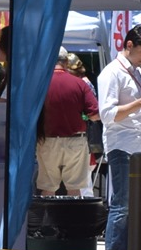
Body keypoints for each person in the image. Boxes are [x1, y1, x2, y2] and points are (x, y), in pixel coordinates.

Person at [99, 24, 141, 250]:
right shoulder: (111, 73)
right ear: (129, 46)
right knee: (121, 206)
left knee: (140, 206)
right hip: (121, 145)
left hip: (138, 144)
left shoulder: (138, 71)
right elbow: (107, 115)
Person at [37, 51, 98, 196]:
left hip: (47, 140)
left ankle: (46, 219)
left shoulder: (40, 84)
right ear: (66, 62)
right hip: (75, 141)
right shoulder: (80, 83)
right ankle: (72, 218)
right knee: (74, 188)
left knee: (48, 188)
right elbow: (95, 115)